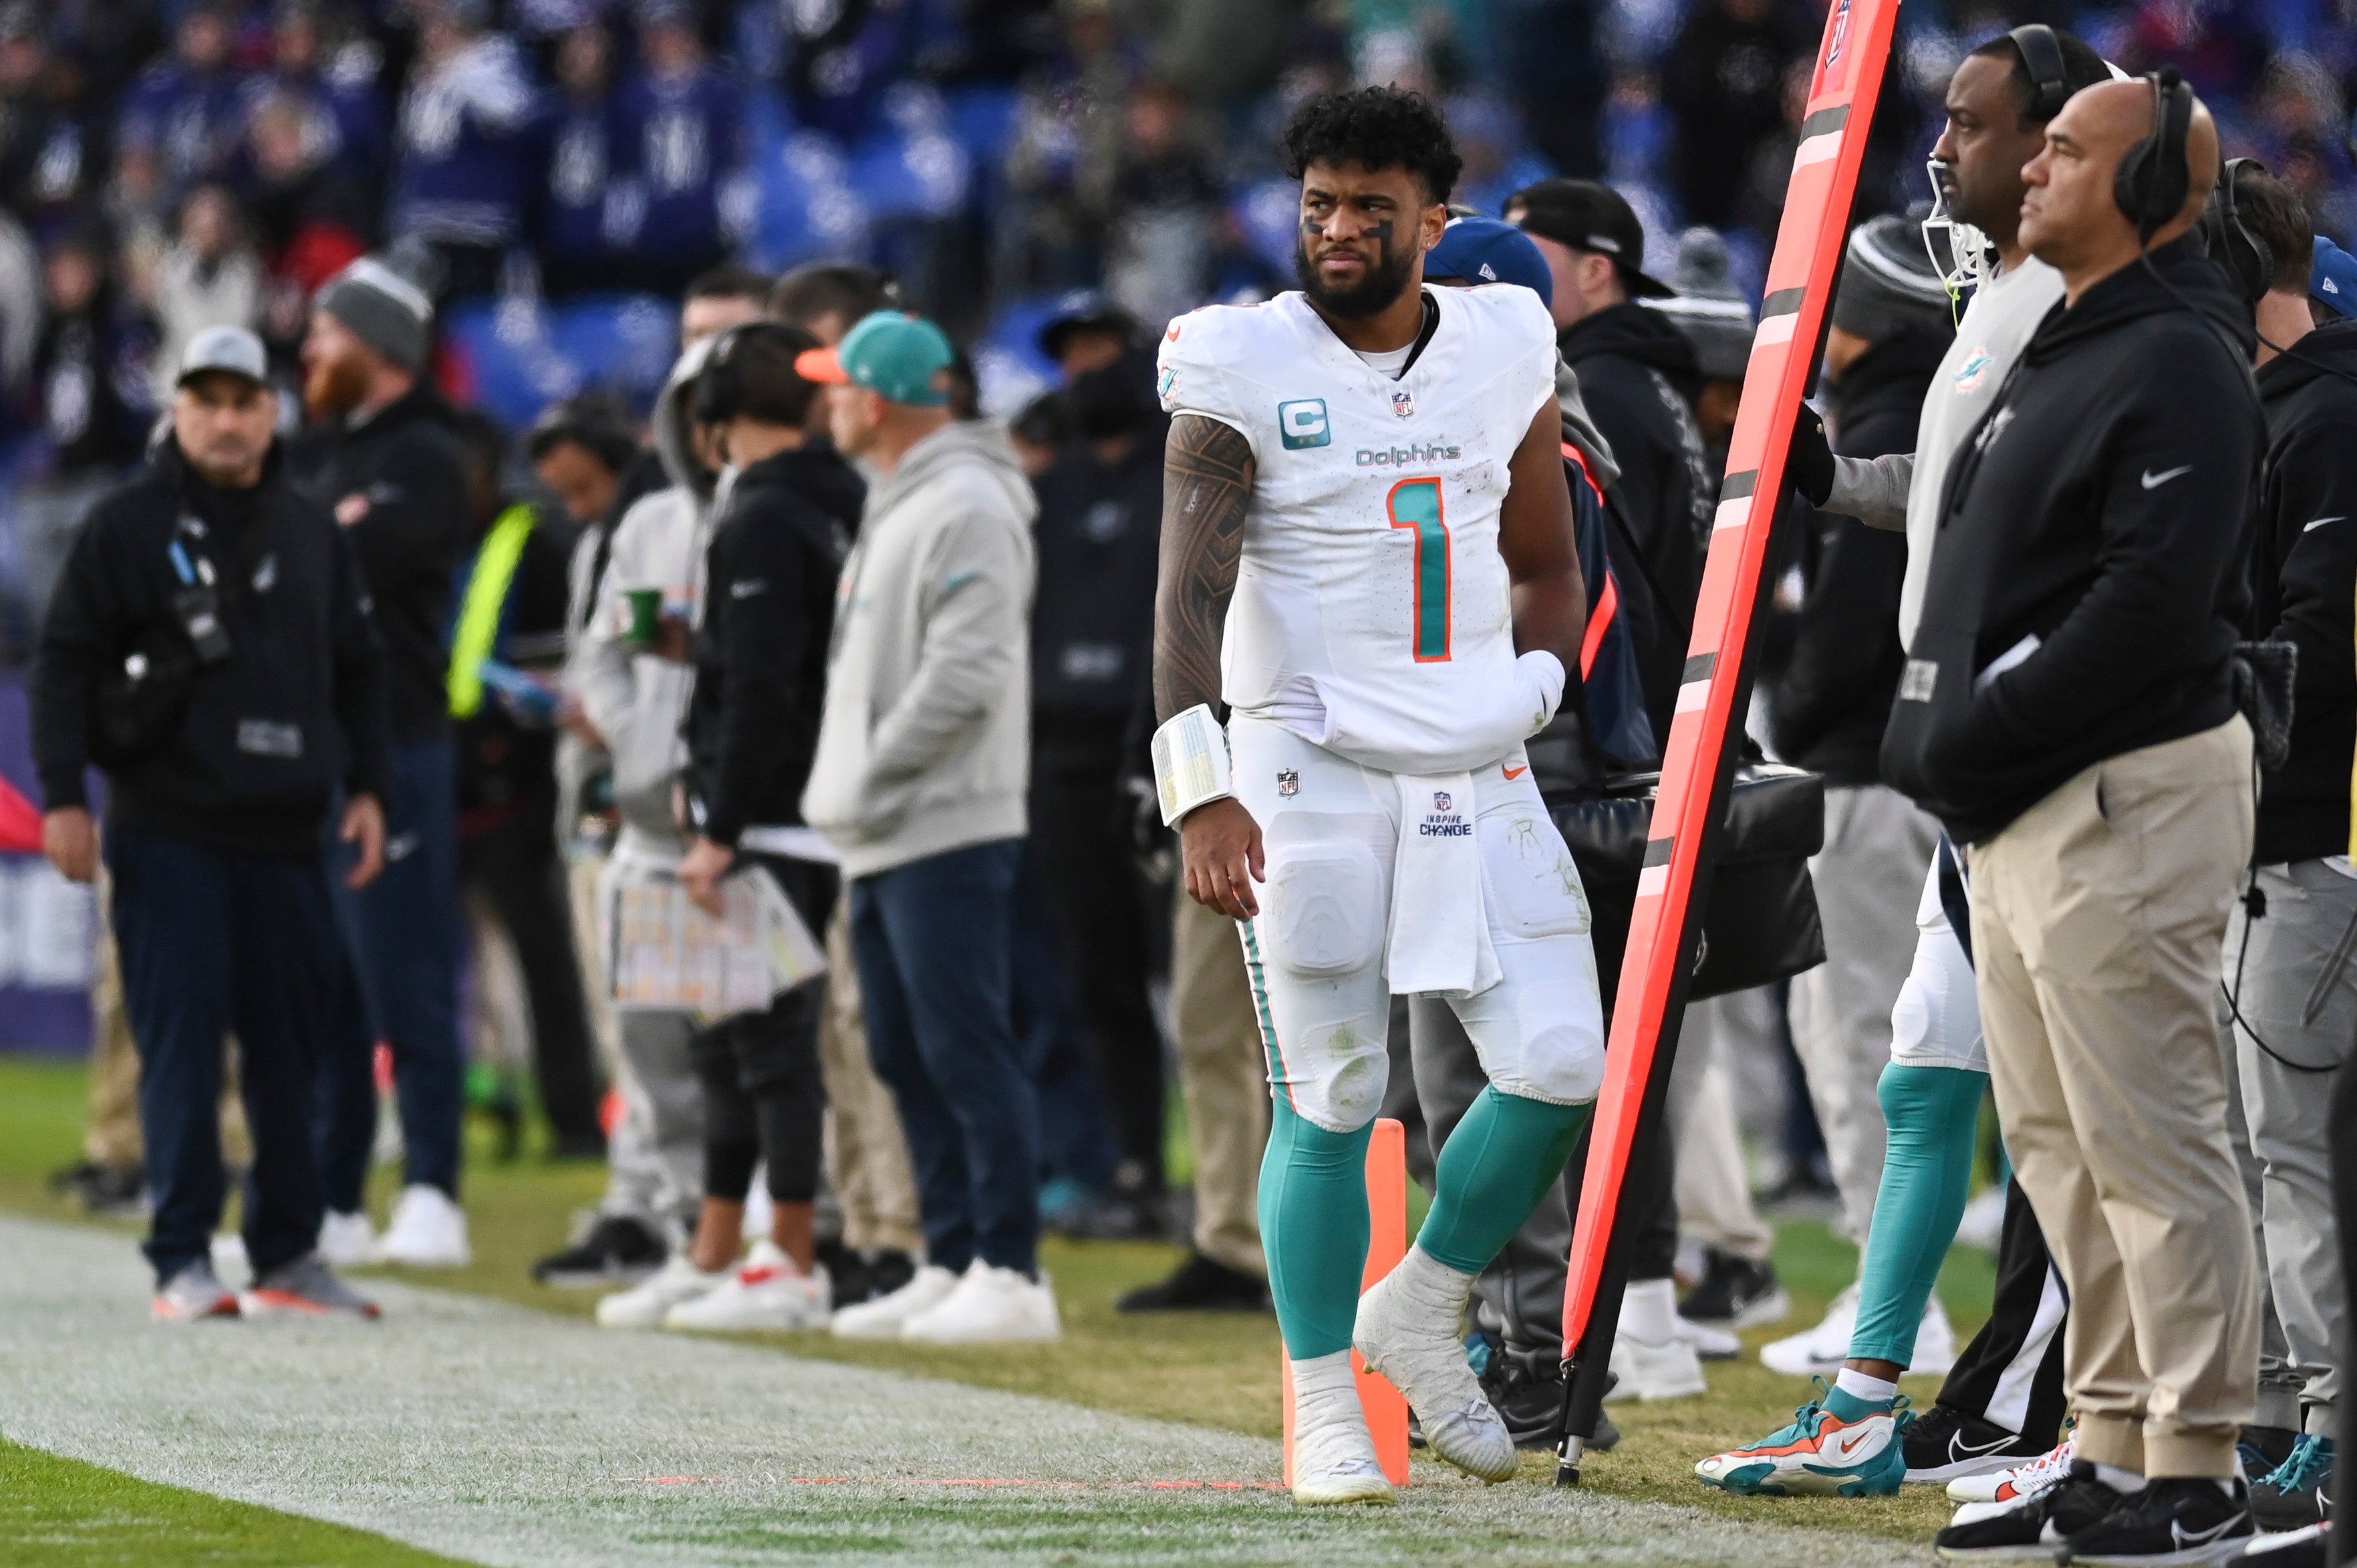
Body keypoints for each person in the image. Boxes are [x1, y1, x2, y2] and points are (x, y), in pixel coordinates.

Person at [1152, 86, 1601, 1505]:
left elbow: (1543, 552)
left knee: (1559, 1062)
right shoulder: (1235, 356)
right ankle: (1318, 1397)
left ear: (1432, 220)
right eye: (1317, 206)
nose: (1337, 231)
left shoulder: (1500, 337)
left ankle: (1413, 1304)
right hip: (1308, 757)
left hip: (1474, 752)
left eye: (1367, 208)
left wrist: (1538, 680)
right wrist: (1197, 791)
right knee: (1334, 1095)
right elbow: (1183, 596)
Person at [1698, 27, 2113, 1504]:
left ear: (2062, 147)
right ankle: (1870, 1395)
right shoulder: (1999, 303)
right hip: (1969, 776)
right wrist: (1827, 481)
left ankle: (2113, 1437)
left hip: (2064, 774)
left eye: (1972, 125)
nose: (1939, 152)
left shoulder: (2105, 315)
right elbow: (1954, 497)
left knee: (2086, 1117)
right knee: (1922, 1074)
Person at [1882, 73, 2268, 1561]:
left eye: (2062, 151)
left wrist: (1972, 739)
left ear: (2150, 189)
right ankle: (2104, 1434)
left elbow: (2145, 607)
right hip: (2021, 797)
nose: (2027, 171)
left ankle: (2195, 1461)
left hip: (2117, 788)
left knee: (2149, 1139)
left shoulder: (2175, 353)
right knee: (2054, 1145)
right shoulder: (2060, 334)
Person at [31, 325, 388, 1321]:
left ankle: (286, 1249)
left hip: (288, 832)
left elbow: (358, 671)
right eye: (207, 401)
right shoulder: (128, 525)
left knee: (291, 1055)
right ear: (176, 409)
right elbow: (64, 661)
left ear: (273, 412)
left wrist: (367, 788)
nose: (227, 422)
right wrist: (64, 793)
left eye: (245, 402)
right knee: (180, 1047)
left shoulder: (313, 529)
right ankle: (181, 1254)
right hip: (168, 827)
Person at [798, 310, 1057, 1346]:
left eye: (838, 384)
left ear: (879, 397)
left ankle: (1011, 1268)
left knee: (964, 1045)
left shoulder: (965, 500)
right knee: (906, 1048)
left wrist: (867, 774)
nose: (827, 402)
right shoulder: (901, 499)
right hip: (887, 823)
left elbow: (967, 671)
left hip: (943, 818)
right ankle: (948, 1254)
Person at [605, 322, 865, 1334]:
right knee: (730, 1036)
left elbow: (759, 684)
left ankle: (787, 1253)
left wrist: (719, 816)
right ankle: (719, 1244)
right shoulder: (840, 498)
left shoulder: (759, 512)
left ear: (712, 427)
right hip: (801, 805)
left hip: (771, 823)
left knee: (762, 1042)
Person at [2209, 163, 2357, 1533]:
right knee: (2258, 1155)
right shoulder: (2278, 410)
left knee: (2289, 1157)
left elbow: (2312, 646)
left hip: (2307, 844)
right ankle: (2268, 1419)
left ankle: (2315, 1435)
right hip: (2273, 838)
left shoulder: (2322, 422)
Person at [291, 256, 472, 1269]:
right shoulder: (324, 462)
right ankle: (333, 1197)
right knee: (330, 989)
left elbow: (315, 567)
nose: (311, 351)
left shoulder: (427, 457)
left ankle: (436, 1190)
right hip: (318, 752)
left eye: (328, 335)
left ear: (383, 350)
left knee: (404, 975)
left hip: (396, 745)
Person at [768, 267, 927, 1296]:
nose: (818, 394)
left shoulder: (921, 489)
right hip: (852, 796)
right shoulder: (865, 492)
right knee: (844, 1017)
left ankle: (909, 1235)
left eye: (831, 369)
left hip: (912, 803)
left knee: (895, 1023)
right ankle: (872, 1225)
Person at [1024, 299, 1169, 1238]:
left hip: (1164, 747)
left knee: (1195, 983)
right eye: (1068, 353)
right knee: (1093, 974)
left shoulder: (1180, 464)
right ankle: (1131, 1167)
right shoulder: (1054, 485)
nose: (1082, 368)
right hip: (1058, 752)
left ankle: (1232, 1182)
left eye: (1099, 350)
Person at [444, 408, 605, 1159]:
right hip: (447, 777)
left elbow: (557, 655)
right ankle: (480, 1104)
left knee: (542, 962)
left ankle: (573, 1117)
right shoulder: (439, 537)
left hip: (515, 785)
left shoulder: (534, 542)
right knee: (457, 968)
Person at [1506, 178, 1710, 743]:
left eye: (1522, 248)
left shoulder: (1598, 390)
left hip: (1632, 737)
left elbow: (1615, 592)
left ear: (1595, 272)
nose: (1499, 269)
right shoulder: (1642, 376)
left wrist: (1607, 742)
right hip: (1673, 715)